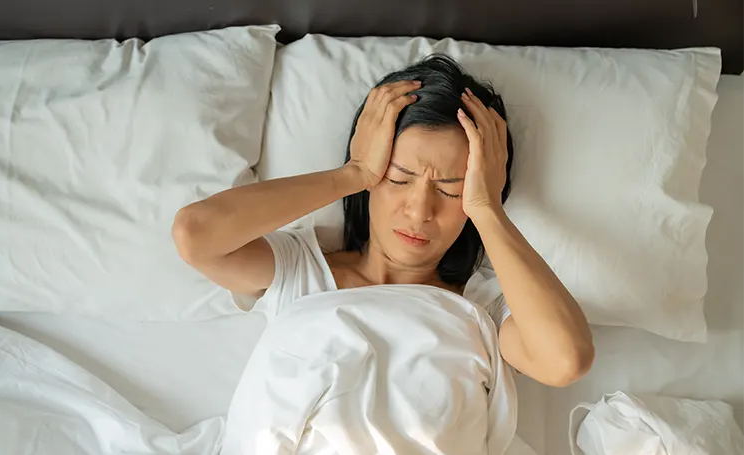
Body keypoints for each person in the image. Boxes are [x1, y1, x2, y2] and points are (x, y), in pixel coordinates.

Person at [173, 55, 594, 452]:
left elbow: (565, 360)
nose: (419, 210)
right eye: (398, 178)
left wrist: (487, 209)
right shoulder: (301, 268)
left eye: (450, 189)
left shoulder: (483, 308)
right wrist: (350, 174)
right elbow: (195, 235)